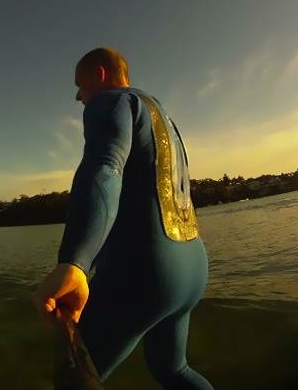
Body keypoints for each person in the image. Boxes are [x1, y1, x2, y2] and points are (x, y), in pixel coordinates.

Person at [32, 47, 213, 389]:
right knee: (174, 371)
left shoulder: (111, 102)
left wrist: (75, 261)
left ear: (99, 75)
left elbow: (105, 168)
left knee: (74, 382)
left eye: (79, 85)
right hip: (193, 266)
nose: (78, 96)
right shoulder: (161, 116)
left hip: (147, 272)